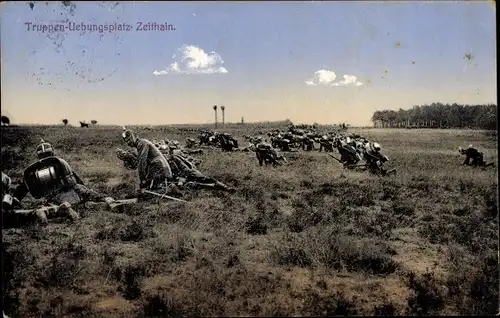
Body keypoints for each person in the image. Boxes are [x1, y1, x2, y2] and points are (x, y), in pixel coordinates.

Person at [10, 140, 113, 223]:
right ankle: (106, 200)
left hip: (53, 196)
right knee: (85, 195)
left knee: (51, 206)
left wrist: (15, 198)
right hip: (72, 191)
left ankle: (65, 209)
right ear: (52, 152)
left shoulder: (34, 171)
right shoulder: (59, 163)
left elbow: (24, 186)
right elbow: (75, 180)